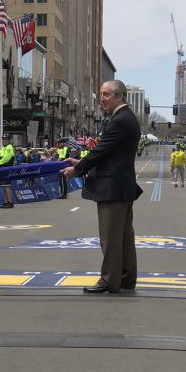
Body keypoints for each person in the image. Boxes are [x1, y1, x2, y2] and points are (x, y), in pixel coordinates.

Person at [62, 80, 143, 295]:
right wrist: (81, 163)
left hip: (112, 187)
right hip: (121, 185)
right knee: (124, 237)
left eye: (106, 94)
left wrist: (77, 169)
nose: (102, 99)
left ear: (120, 96)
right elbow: (107, 151)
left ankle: (109, 280)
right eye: (101, 94)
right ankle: (126, 278)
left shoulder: (119, 120)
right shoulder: (127, 118)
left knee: (110, 238)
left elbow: (101, 151)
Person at [0, 136, 16, 208]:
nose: (5, 141)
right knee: (4, 186)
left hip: (7, 168)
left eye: (6, 139)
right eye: (4, 140)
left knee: (7, 186)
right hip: (1, 168)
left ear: (9, 140)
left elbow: (7, 158)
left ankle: (10, 202)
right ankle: (6, 202)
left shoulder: (9, 147)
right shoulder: (2, 149)